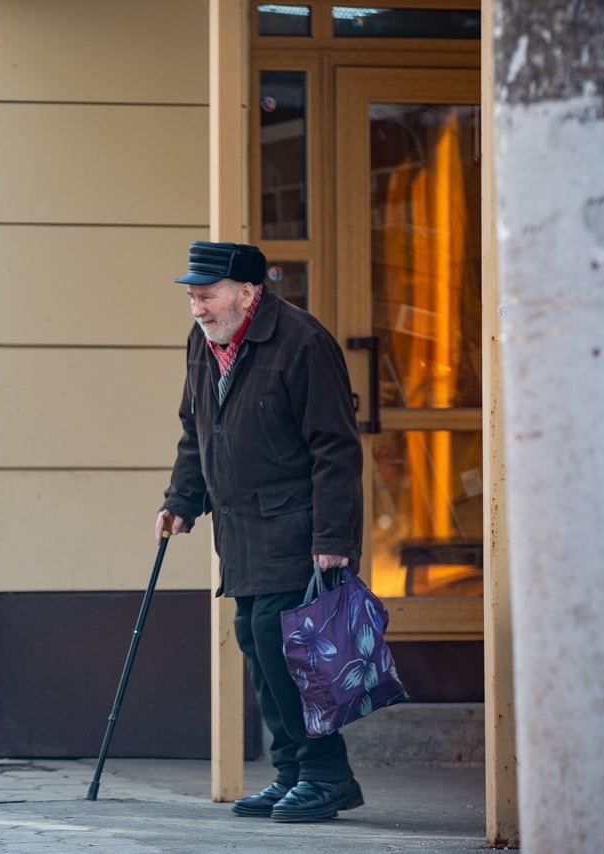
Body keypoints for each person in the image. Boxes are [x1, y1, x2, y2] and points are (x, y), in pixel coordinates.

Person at [156, 241, 365, 823]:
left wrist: (334, 538)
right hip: (241, 528)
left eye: (208, 295)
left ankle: (328, 773)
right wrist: (181, 501)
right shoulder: (205, 344)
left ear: (249, 293)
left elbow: (336, 448)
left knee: (285, 647)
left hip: (297, 525)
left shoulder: (301, 342)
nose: (197, 308)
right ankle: (294, 772)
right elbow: (194, 430)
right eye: (193, 297)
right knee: (256, 639)